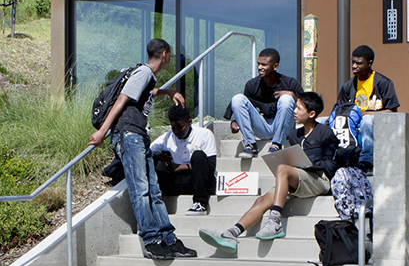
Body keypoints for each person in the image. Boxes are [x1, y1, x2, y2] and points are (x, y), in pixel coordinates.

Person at [88, 38, 197, 260]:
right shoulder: (144, 72)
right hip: (129, 135)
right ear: (165, 54)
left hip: (138, 135)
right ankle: (151, 239)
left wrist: (168, 92)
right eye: (170, 55)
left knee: (154, 191)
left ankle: (168, 238)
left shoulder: (147, 77)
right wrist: (103, 132)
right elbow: (122, 99)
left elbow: (147, 92)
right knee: (142, 189)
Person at [201, 91, 354, 249]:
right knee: (262, 199)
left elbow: (330, 166)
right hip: (297, 178)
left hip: (319, 179)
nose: (294, 111)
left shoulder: (325, 133)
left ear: (311, 113)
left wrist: (307, 162)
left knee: (283, 169)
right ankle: (231, 233)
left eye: (299, 108)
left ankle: (274, 222)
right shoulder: (295, 134)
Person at [331, 45, 399, 172]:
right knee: (325, 120)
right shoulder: (348, 86)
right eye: (353, 62)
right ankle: (333, 159)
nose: (354, 66)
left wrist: (363, 113)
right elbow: (340, 109)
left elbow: (392, 111)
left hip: (375, 123)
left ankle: (366, 161)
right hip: (351, 122)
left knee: (367, 120)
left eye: (359, 63)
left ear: (370, 63)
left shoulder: (383, 83)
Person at [227, 48, 301, 158]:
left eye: (264, 64)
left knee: (286, 99)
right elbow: (242, 108)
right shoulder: (252, 85)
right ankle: (250, 145)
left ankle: (277, 145)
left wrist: (292, 96)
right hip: (263, 127)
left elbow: (306, 107)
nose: (259, 67)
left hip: (285, 129)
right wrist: (235, 121)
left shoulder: (291, 83)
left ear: (275, 66)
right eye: (258, 64)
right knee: (238, 98)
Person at [150, 105, 218, 216]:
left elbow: (211, 166)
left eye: (180, 127)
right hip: (178, 181)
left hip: (202, 182)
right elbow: (148, 151)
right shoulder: (166, 138)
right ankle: (154, 206)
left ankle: (200, 203)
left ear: (190, 122)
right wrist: (159, 157)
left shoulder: (205, 134)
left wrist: (181, 167)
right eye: (173, 127)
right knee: (152, 162)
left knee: (198, 155)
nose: (176, 131)